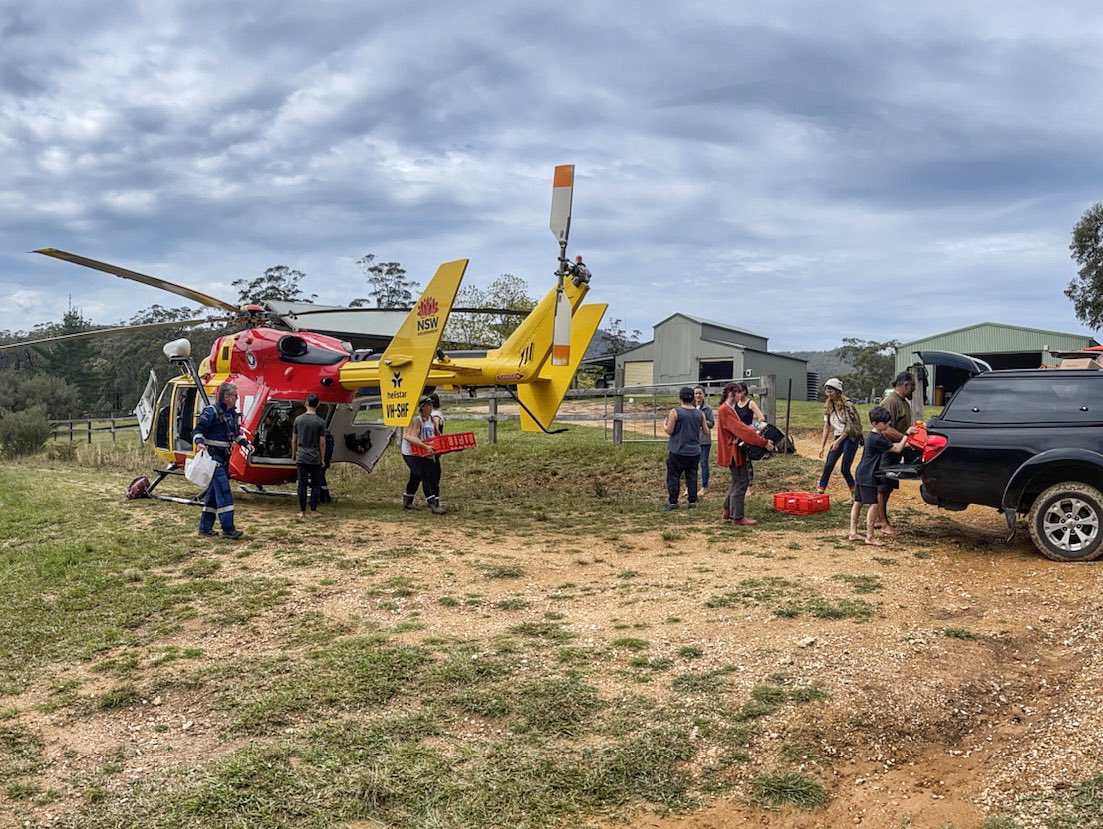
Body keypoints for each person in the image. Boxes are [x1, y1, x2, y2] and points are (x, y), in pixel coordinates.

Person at [192, 381, 253, 539]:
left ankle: (205, 527)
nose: (237, 398)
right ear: (226, 396)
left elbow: (236, 434)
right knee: (224, 492)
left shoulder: (232, 413)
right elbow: (198, 431)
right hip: (214, 458)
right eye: (235, 396)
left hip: (224, 458)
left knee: (213, 494)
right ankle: (228, 529)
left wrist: (246, 444)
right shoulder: (211, 412)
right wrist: (199, 443)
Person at [717, 381, 774, 526]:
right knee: (742, 482)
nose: (741, 395)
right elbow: (742, 430)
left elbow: (741, 428)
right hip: (733, 451)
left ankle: (727, 511)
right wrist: (763, 442)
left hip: (733, 450)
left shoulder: (727, 409)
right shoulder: (726, 410)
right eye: (738, 392)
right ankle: (737, 517)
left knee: (737, 481)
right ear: (732, 393)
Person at [850, 406, 909, 545]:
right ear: (875, 423)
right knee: (874, 504)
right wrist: (907, 435)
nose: (888, 425)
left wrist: (907, 443)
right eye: (884, 423)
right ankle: (870, 537)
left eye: (888, 422)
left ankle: (853, 532)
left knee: (858, 502)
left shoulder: (874, 436)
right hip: (869, 474)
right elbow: (897, 448)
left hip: (861, 472)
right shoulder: (877, 438)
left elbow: (893, 445)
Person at [877, 372, 918, 530]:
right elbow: (885, 430)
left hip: (896, 449)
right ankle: (882, 522)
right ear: (905, 385)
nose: (913, 389)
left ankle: (877, 518)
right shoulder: (890, 402)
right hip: (887, 450)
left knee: (888, 486)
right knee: (882, 487)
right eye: (912, 386)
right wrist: (905, 439)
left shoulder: (904, 402)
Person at [817, 378, 863, 499]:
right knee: (828, 465)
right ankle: (819, 493)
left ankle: (854, 494)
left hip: (850, 437)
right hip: (838, 436)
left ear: (838, 391)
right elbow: (826, 426)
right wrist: (822, 446)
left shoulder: (847, 405)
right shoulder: (828, 406)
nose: (828, 392)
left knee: (845, 468)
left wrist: (838, 441)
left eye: (831, 390)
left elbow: (850, 426)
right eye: (827, 390)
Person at [662, 387, 706, 510]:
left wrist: (665, 425)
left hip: (678, 450)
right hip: (694, 451)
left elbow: (669, 431)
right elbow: (706, 430)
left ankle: (673, 502)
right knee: (692, 475)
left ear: (680, 398)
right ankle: (692, 501)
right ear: (692, 398)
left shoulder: (675, 412)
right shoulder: (699, 413)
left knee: (673, 476)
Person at [401, 396, 446, 515]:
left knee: (415, 477)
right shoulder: (418, 421)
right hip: (411, 453)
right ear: (422, 407)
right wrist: (426, 447)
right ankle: (432, 504)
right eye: (428, 405)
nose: (431, 407)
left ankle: (407, 502)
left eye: (431, 405)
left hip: (423, 452)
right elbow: (412, 438)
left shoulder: (431, 420)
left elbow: (438, 435)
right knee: (424, 475)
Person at [291, 393, 327, 519]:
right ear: (318, 404)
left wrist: (294, 454)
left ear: (306, 403)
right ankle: (313, 509)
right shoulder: (320, 422)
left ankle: (301, 511)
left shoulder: (298, 420)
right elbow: (322, 443)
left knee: (302, 484)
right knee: (316, 484)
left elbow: (294, 439)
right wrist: (322, 458)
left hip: (301, 454)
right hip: (315, 456)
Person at [730, 381, 765, 494]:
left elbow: (761, 417)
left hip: (746, 435)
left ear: (744, 391)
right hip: (736, 435)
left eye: (739, 392)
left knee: (747, 460)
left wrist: (752, 428)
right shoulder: (734, 404)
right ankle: (738, 482)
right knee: (735, 460)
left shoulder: (750, 403)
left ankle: (749, 487)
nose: (738, 394)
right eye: (736, 392)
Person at [693, 385, 715, 498]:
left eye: (700, 393)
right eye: (696, 393)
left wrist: (702, 421)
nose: (698, 395)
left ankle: (704, 486)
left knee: (704, 464)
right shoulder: (689, 407)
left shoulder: (707, 409)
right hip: (692, 440)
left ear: (704, 395)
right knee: (692, 465)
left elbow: (712, 423)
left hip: (704, 440)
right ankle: (690, 486)